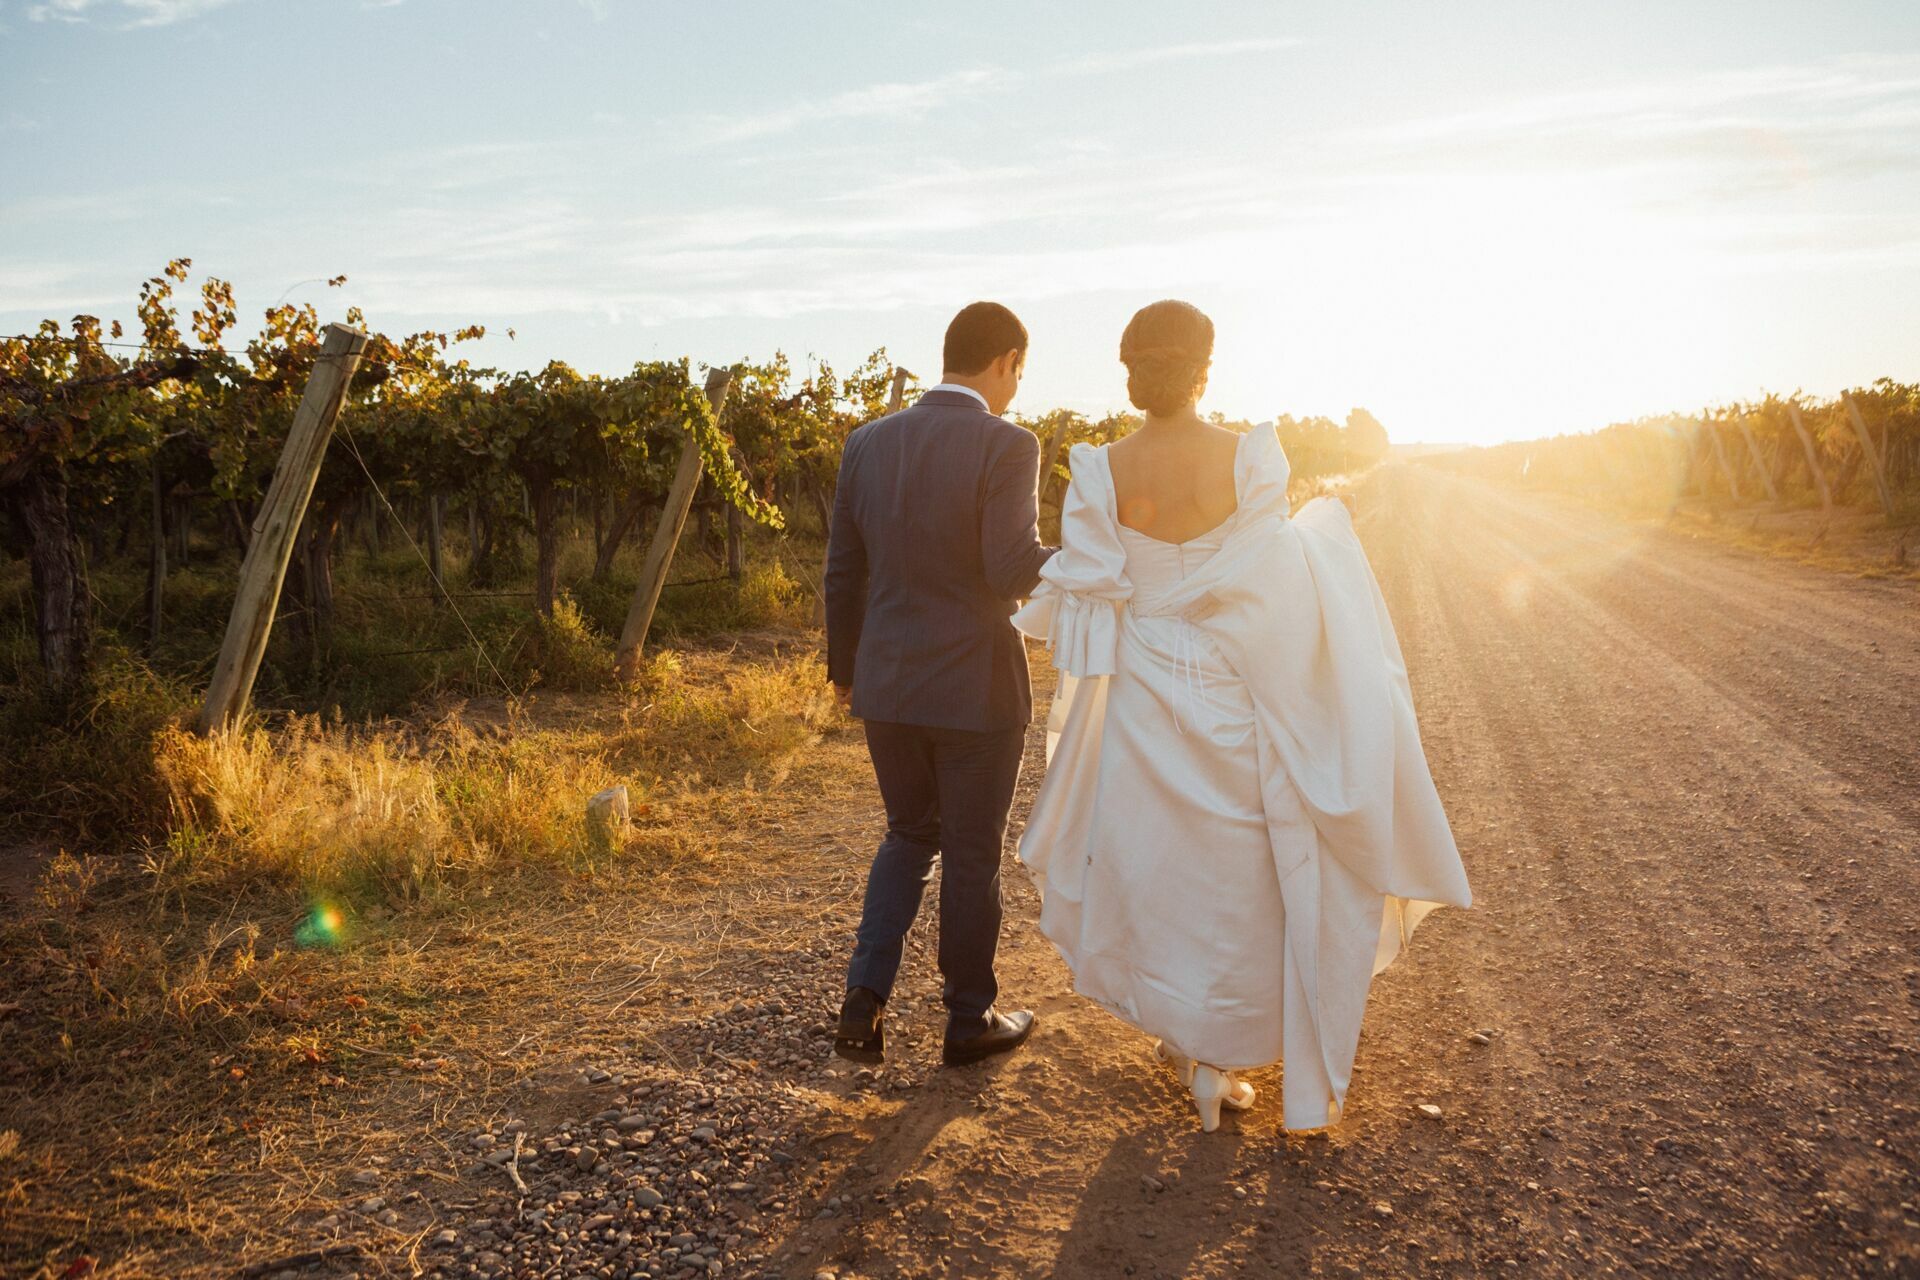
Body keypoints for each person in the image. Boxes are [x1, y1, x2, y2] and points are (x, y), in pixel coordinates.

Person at [1013, 300, 1471, 1130]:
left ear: (1131, 371)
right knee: (1241, 872)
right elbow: (1273, 581)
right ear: (1204, 368)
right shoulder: (1250, 457)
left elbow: (1089, 594)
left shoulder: (1101, 470)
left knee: (1161, 869)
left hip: (1146, 694)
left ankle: (1191, 1043)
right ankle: (1216, 1058)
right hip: (1233, 686)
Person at [825, 301, 1055, 1067]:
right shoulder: (1007, 443)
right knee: (970, 851)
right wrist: (1095, 557)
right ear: (1007, 362)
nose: (1017, 388)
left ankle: (864, 1001)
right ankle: (968, 1017)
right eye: (1020, 373)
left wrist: (847, 673)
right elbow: (1011, 568)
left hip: (887, 687)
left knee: (907, 834)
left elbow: (843, 571)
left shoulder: (866, 442)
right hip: (977, 690)